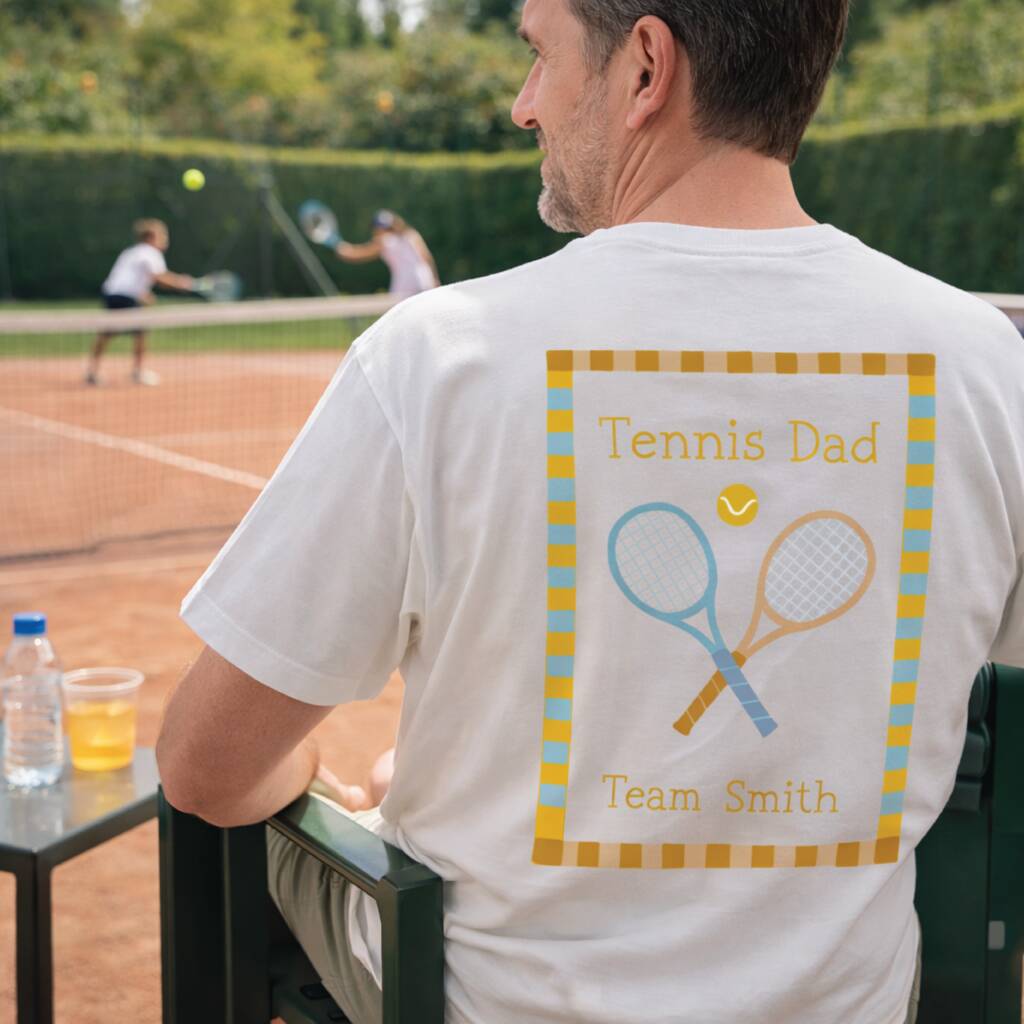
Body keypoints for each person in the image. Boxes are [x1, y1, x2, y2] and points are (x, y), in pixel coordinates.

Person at [156, 0, 1024, 1021]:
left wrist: (327, 778)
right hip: (848, 1005)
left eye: (540, 55)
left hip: (482, 999)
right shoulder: (986, 365)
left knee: (271, 819)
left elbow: (205, 769)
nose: (524, 106)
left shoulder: (436, 356)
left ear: (646, 67)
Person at [85, 219, 195, 386]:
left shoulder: (130, 252)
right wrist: (181, 282)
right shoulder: (150, 252)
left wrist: (143, 294)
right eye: (162, 235)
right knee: (141, 333)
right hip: (126, 297)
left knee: (107, 333)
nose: (165, 239)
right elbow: (159, 277)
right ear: (151, 237)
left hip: (111, 294)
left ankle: (92, 372)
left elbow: (127, 277)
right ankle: (137, 372)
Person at [333, 209, 439, 298]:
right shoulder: (411, 235)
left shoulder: (384, 241)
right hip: (425, 278)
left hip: (405, 283)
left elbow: (360, 253)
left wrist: (344, 250)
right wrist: (434, 279)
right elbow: (427, 258)